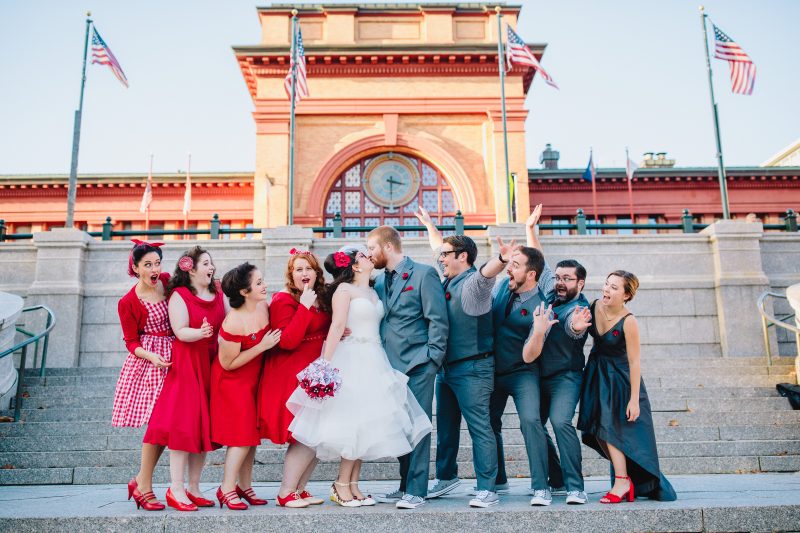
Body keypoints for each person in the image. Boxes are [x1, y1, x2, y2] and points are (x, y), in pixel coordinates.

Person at [287, 247, 432, 508]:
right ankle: (341, 484)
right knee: (351, 422)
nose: (369, 257)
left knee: (365, 423)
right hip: (351, 358)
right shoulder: (344, 291)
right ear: (354, 266)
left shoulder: (373, 291)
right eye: (364, 256)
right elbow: (337, 326)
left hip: (374, 358)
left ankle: (353, 484)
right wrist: (324, 366)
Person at [414, 206, 514, 508]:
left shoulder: (474, 283)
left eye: (446, 254)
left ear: (463, 257)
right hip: (446, 369)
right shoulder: (447, 277)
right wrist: (431, 227)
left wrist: (501, 259)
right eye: (441, 254)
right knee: (445, 427)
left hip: (473, 368)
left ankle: (488, 487)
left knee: (480, 426)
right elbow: (440, 248)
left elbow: (486, 274)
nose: (440, 258)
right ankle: (446, 477)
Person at [576, 270, 677, 503]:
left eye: (614, 287)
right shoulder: (593, 306)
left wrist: (634, 399)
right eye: (606, 284)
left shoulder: (629, 321)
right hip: (596, 375)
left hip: (619, 380)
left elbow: (634, 361)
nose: (606, 290)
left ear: (626, 295)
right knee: (594, 428)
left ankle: (622, 481)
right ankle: (625, 479)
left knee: (610, 429)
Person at [368, 226, 448, 509]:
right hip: (388, 367)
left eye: (372, 248)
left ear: (387, 247)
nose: (369, 254)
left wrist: (432, 359)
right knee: (401, 427)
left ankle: (417, 490)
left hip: (418, 364)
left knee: (418, 425)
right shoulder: (376, 281)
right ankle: (405, 486)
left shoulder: (424, 274)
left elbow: (438, 319)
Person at [143, 246, 227, 511]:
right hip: (187, 366)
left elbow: (229, 319)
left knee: (204, 429)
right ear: (190, 268)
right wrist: (199, 333)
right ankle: (175, 489)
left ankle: (194, 487)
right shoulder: (179, 295)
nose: (211, 268)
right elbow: (179, 331)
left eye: (211, 263)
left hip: (212, 365)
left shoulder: (218, 292)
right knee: (183, 428)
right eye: (205, 263)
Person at [525, 207, 592, 505]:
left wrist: (576, 327)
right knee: (533, 425)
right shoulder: (553, 292)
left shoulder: (579, 308)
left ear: (580, 284)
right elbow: (541, 262)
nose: (561, 282)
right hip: (537, 376)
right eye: (559, 277)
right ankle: (551, 480)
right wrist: (530, 230)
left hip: (566, 376)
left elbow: (574, 328)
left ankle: (576, 486)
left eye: (568, 279)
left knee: (560, 421)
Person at [258, 249, 330, 508]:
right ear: (291, 275)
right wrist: (303, 308)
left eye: (308, 268)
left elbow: (321, 329)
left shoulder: (319, 298)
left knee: (317, 434)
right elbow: (288, 341)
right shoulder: (283, 300)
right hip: (291, 375)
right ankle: (286, 491)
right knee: (304, 434)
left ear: (316, 272)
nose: (304, 273)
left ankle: (300, 489)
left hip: (316, 374)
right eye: (298, 269)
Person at [489, 235, 556, 506]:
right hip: (493, 370)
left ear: (531, 274)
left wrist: (539, 332)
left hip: (523, 372)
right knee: (488, 424)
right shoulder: (504, 286)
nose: (509, 268)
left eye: (515, 265)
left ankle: (542, 486)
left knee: (531, 422)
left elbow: (531, 352)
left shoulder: (542, 304)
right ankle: (498, 480)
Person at [212, 263, 281, 510]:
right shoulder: (234, 322)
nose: (265, 286)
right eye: (259, 282)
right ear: (244, 291)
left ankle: (244, 485)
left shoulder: (263, 305)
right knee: (241, 437)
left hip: (255, 378)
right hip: (232, 383)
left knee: (251, 437)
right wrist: (261, 346)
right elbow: (228, 363)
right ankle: (226, 488)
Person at [113, 240, 173, 511]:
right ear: (135, 268)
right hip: (149, 362)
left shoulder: (168, 282)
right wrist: (151, 356)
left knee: (167, 424)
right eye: (147, 264)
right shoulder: (128, 302)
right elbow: (130, 341)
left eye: (157, 263)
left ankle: (139, 480)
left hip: (175, 356)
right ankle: (144, 485)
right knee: (157, 424)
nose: (154, 269)